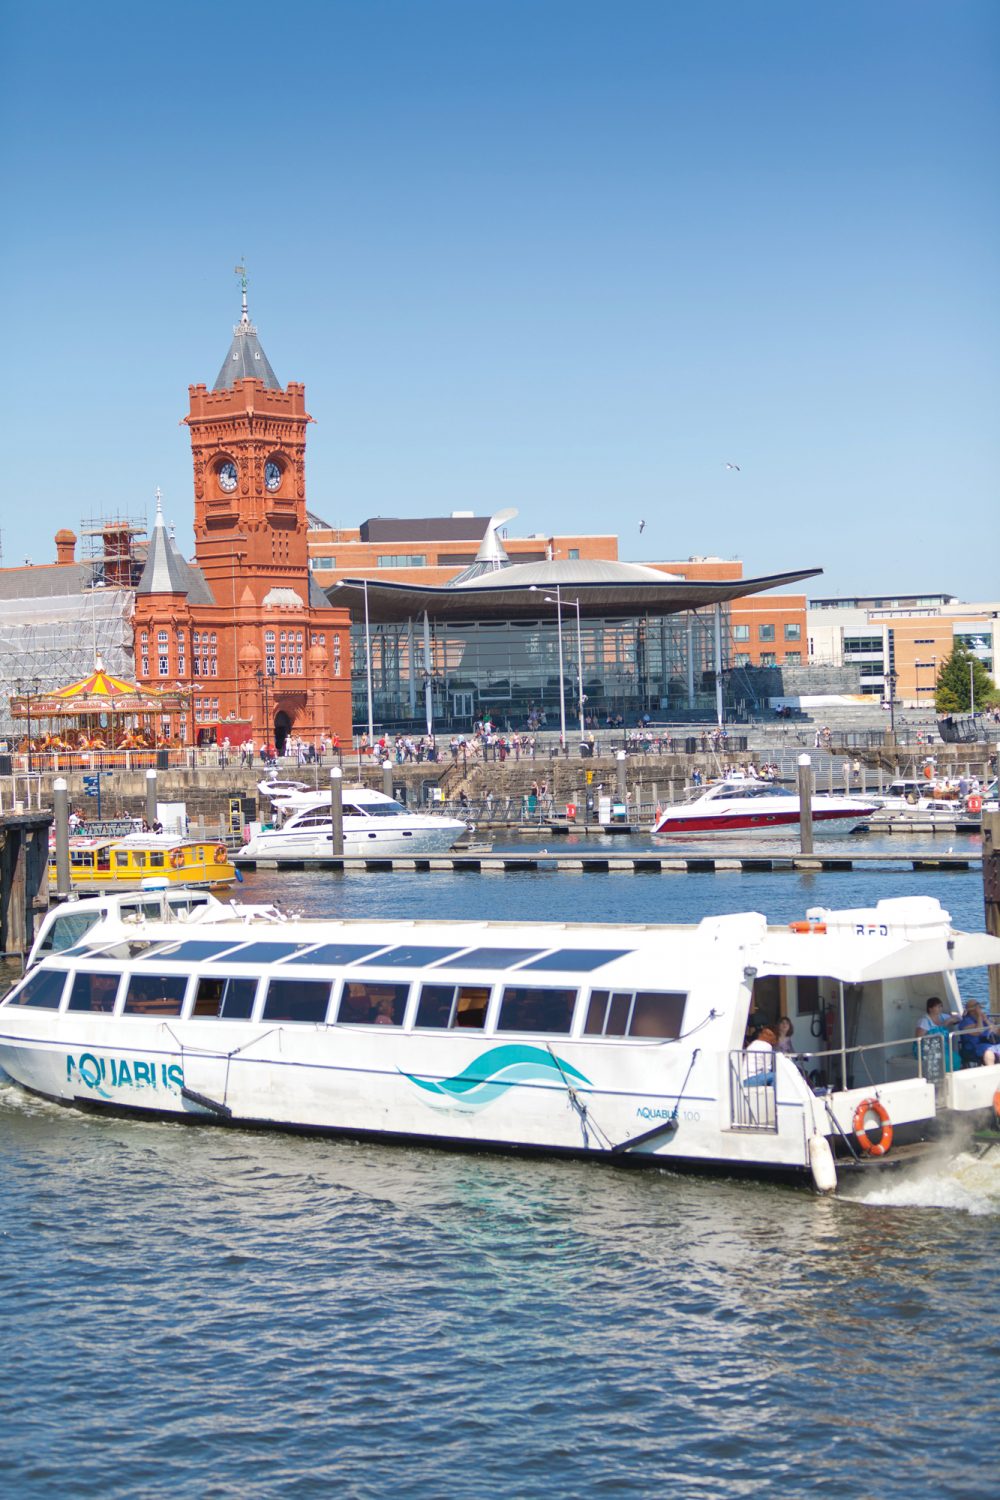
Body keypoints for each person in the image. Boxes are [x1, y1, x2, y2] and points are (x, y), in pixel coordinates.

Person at [956, 999, 1000, 1068]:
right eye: (977, 1007)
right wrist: (979, 1016)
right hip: (975, 1047)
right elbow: (979, 1031)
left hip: (991, 1042)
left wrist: (986, 1020)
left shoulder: (984, 1018)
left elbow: (996, 1031)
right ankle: (991, 1070)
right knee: (988, 1052)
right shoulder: (966, 1022)